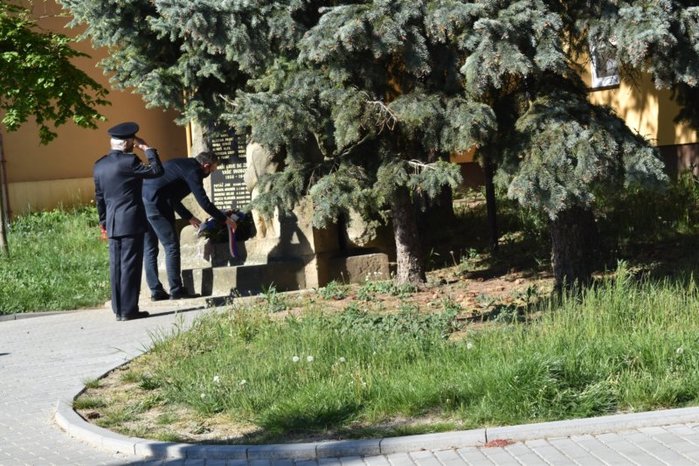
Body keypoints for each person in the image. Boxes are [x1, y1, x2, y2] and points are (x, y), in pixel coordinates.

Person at [143, 151, 237, 300]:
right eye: (212, 169)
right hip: (157, 204)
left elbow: (172, 197)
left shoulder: (182, 164)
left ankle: (156, 291)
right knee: (171, 246)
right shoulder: (194, 171)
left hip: (143, 201)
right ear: (205, 166)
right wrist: (225, 219)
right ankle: (176, 290)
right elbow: (204, 202)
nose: (212, 172)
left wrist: (189, 217)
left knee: (150, 249)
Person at [94, 122, 164, 321]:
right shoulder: (129, 161)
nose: (134, 145)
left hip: (113, 223)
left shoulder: (100, 165)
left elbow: (99, 198)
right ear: (126, 143)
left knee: (116, 267)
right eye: (133, 142)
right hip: (131, 222)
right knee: (130, 267)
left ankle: (118, 309)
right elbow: (157, 171)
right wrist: (147, 149)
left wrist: (104, 223)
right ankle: (129, 310)